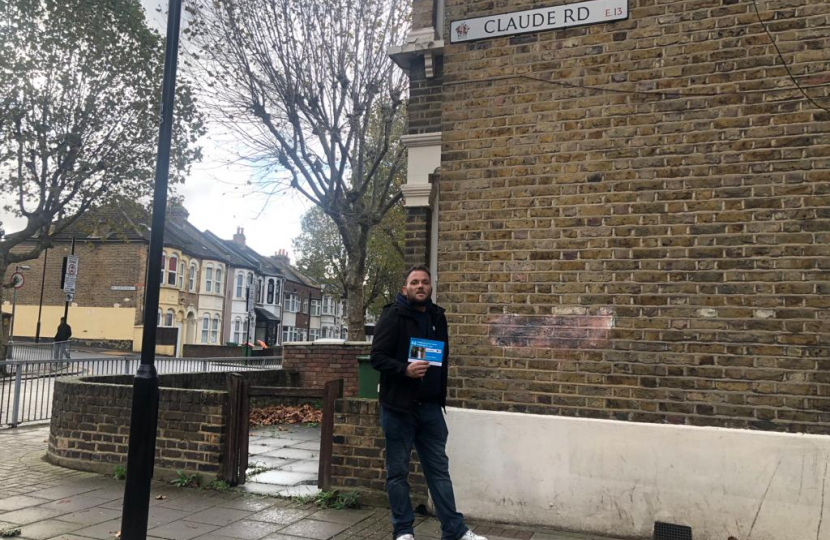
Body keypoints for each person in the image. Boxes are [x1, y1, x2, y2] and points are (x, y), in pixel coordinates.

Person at [371, 264, 486, 540]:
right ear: (405, 288)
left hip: (431, 409)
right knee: (397, 473)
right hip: (399, 409)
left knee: (439, 473)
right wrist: (404, 370)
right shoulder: (393, 315)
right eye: (414, 282)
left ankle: (454, 530)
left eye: (424, 282)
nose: (420, 286)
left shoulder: (437, 317)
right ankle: (403, 531)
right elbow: (377, 357)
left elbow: (438, 360)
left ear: (431, 287)